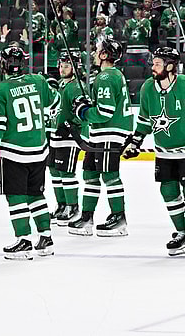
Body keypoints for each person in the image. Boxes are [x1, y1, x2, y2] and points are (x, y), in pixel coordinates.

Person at [123, 47, 185, 256]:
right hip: (164, 153)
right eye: (153, 63)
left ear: (171, 66)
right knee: (168, 191)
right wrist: (135, 142)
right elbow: (145, 120)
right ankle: (181, 232)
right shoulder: (148, 88)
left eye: (157, 64)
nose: (153, 67)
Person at [0, 46, 59, 259]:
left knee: (16, 197)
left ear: (4, 64)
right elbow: (54, 101)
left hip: (15, 153)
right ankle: (46, 238)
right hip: (40, 151)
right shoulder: (38, 81)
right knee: (36, 194)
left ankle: (23, 240)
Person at [69, 39, 132, 237]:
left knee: (110, 175)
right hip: (101, 134)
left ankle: (119, 218)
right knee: (89, 174)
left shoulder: (105, 77)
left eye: (97, 50)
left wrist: (83, 111)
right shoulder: (111, 75)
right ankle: (87, 217)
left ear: (104, 55)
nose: (94, 53)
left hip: (109, 133)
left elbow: (105, 111)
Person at [49, 52, 86, 227]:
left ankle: (73, 207)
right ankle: (62, 204)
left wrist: (71, 124)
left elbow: (83, 110)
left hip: (70, 135)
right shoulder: (63, 86)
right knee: (54, 170)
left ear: (75, 68)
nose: (62, 69)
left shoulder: (77, 86)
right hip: (57, 134)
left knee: (66, 171)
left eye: (66, 66)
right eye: (61, 65)